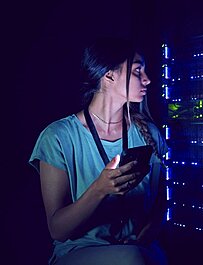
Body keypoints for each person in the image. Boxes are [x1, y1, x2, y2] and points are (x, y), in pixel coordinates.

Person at [29, 37, 169, 265]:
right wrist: (99, 190)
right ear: (109, 75)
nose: (148, 79)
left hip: (140, 250)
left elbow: (161, 203)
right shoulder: (58, 137)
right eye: (137, 71)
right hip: (79, 253)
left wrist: (149, 233)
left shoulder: (149, 133)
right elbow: (57, 230)